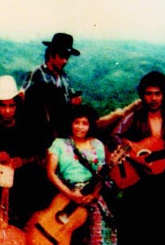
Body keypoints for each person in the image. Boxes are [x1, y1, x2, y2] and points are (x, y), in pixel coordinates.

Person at [0, 75, 55, 241]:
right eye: (3, 106)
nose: (7, 110)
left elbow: (41, 157)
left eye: (11, 105)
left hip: (20, 196)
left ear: (17, 105)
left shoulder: (26, 129)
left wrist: (22, 161)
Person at [110, 70, 165, 245]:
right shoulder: (134, 118)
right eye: (148, 94)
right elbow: (115, 138)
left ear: (163, 95)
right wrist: (134, 156)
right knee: (136, 232)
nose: (153, 99)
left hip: (164, 185)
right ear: (142, 96)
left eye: (157, 94)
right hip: (136, 184)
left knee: (162, 232)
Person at [38, 104, 118, 245]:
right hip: (64, 194)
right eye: (76, 122)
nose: (80, 127)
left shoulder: (97, 145)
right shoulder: (59, 144)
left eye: (84, 123)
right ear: (70, 123)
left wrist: (93, 195)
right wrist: (70, 194)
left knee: (99, 233)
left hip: (91, 195)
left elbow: (101, 174)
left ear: (90, 125)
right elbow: (51, 173)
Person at [20, 32, 82, 146]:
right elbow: (22, 98)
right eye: (62, 57)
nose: (65, 61)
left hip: (63, 129)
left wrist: (74, 101)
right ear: (51, 54)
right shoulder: (36, 73)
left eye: (67, 57)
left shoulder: (64, 77)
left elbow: (70, 97)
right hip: (40, 131)